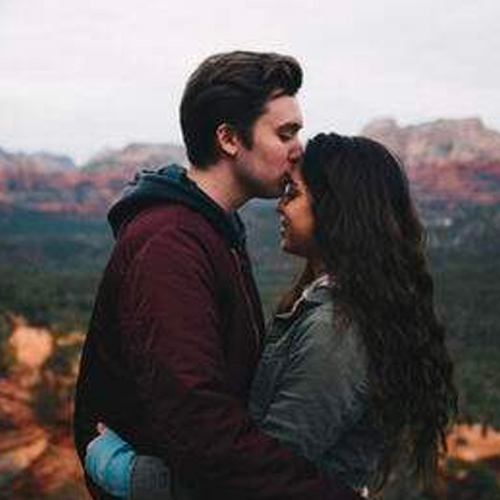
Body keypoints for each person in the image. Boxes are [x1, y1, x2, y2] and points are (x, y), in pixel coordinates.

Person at [84, 133, 458, 498]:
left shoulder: (335, 331)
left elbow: (258, 480)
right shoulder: (333, 308)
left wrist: (129, 474)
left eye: (292, 193)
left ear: (337, 210)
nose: (280, 206)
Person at [73, 51, 361, 500]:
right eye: (285, 133)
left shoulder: (215, 229)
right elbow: (201, 427)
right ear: (228, 138)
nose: (298, 149)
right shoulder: (170, 242)